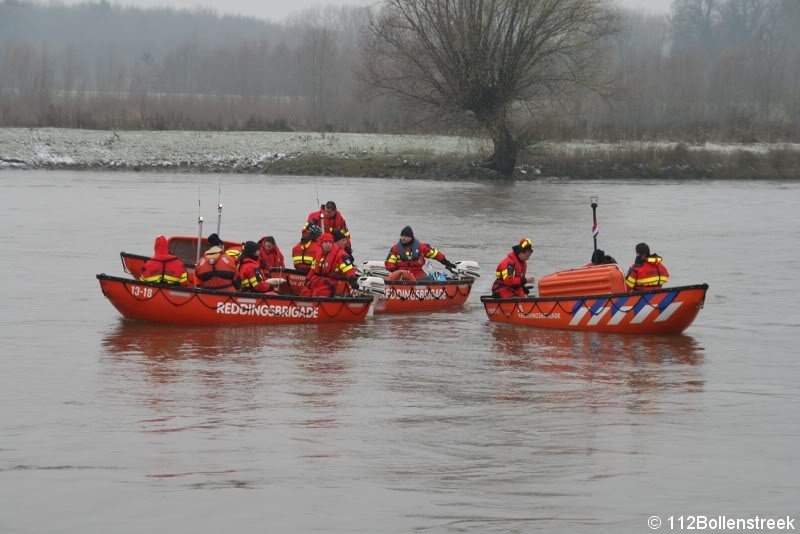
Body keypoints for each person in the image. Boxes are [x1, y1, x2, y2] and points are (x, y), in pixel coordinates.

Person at [384, 226, 456, 280]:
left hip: (418, 274)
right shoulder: (395, 249)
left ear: (411, 237)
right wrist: (395, 271)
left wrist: (447, 263)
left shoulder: (421, 247)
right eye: (402, 236)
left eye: (405, 236)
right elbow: (389, 263)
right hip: (401, 275)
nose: (403, 238)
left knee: (428, 280)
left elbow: (435, 254)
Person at [300, 232, 358, 297]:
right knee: (304, 293)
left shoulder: (340, 255)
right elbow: (313, 269)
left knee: (318, 294)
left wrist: (353, 281)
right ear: (321, 243)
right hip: (315, 280)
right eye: (326, 242)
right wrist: (307, 279)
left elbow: (348, 270)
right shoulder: (318, 253)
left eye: (330, 242)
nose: (328, 244)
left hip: (329, 282)